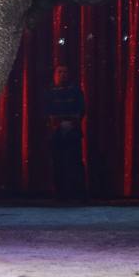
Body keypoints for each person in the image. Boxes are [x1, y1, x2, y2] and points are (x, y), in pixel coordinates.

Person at [46, 64, 87, 203]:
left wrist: (71, 123)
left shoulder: (75, 91)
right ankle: (60, 194)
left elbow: (81, 109)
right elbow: (46, 110)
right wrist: (57, 124)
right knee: (58, 163)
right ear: (55, 74)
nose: (62, 74)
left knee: (74, 163)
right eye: (60, 72)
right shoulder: (50, 92)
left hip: (72, 132)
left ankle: (76, 194)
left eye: (65, 72)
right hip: (56, 133)